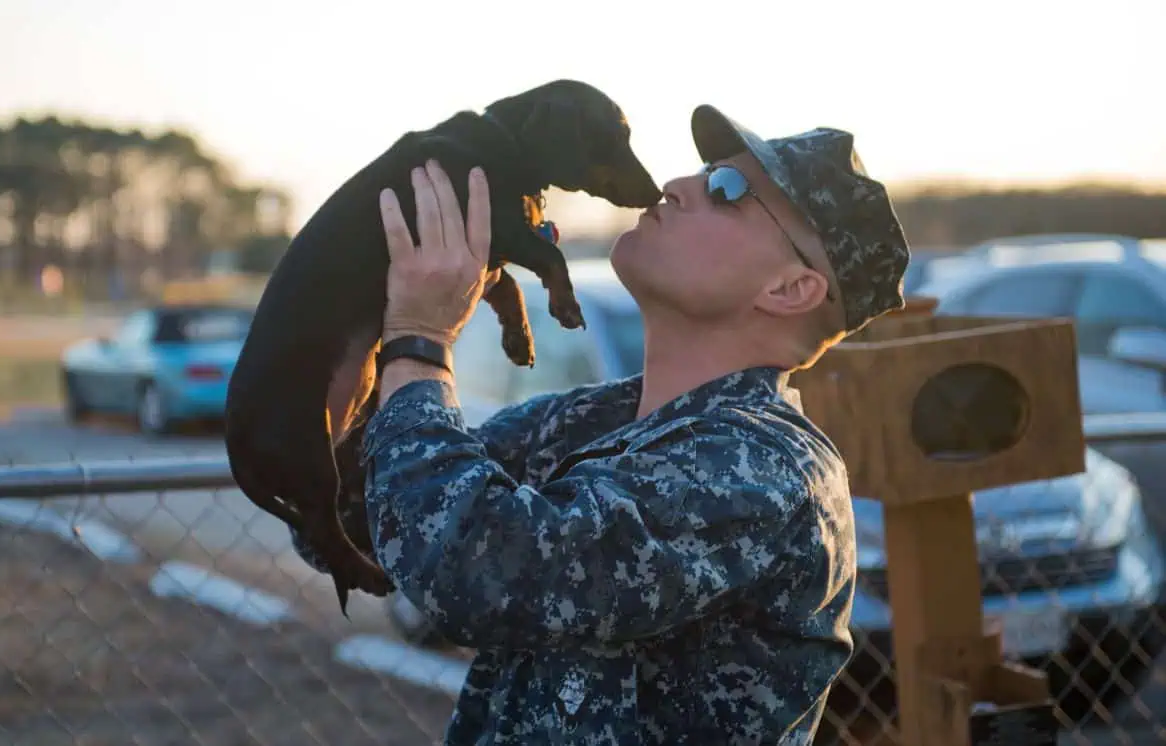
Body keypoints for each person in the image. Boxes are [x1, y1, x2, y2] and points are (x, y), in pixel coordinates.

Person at [301, 104, 911, 745]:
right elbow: (351, 520)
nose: (677, 184)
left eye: (728, 191)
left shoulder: (765, 470)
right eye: (703, 170)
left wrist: (421, 340)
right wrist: (371, 322)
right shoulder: (589, 420)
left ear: (791, 289)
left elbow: (480, 573)